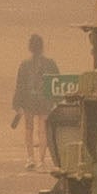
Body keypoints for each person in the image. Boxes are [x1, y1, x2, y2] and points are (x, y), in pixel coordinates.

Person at [12, 33, 59, 168]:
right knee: (42, 130)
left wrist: (17, 104)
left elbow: (20, 85)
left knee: (29, 129)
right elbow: (56, 82)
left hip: (28, 101)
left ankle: (30, 158)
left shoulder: (24, 65)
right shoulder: (50, 64)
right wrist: (57, 101)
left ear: (30, 47)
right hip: (45, 101)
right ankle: (42, 160)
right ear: (42, 47)